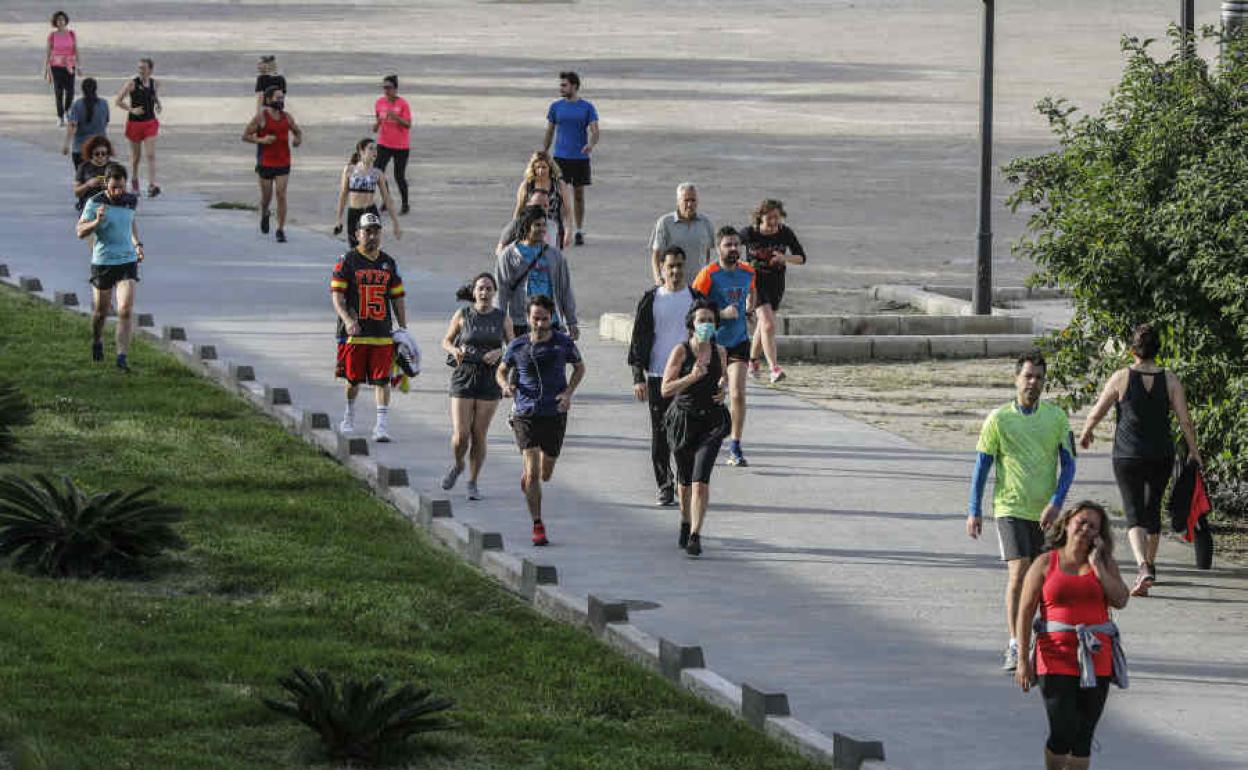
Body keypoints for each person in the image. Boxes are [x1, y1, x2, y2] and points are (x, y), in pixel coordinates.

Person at [968, 351, 1077, 672]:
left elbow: (1069, 465)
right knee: (1019, 573)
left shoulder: (1056, 418)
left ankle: (1043, 640)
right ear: (1017, 379)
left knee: (1044, 578)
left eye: (1039, 378)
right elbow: (982, 467)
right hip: (1010, 508)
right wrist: (974, 510)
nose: (1033, 383)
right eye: (1028, 376)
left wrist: (1057, 501)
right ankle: (1016, 643)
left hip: (1045, 512)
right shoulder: (999, 419)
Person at [1077, 323, 1203, 597]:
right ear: (1158, 349)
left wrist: (1086, 432)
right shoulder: (1170, 379)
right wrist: (1194, 450)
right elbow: (1185, 420)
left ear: (1132, 350)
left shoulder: (1121, 377)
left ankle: (1142, 566)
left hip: (1127, 455)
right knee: (1152, 509)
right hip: (1161, 454)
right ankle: (1151, 567)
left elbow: (1097, 410)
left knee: (1134, 512)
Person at [1015, 501, 1129, 770]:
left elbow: (1121, 599)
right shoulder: (1045, 562)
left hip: (1096, 657)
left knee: (1083, 734)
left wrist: (1099, 568)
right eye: (1081, 522)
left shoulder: (1104, 563)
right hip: (1054, 656)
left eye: (1093, 526)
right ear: (1067, 524)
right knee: (1063, 727)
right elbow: (1025, 611)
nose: (1086, 528)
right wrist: (1022, 659)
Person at [496, 295, 586, 546]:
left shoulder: (562, 343)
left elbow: (580, 368)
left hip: (554, 412)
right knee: (534, 473)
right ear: (527, 318)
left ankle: (530, 476)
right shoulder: (518, 345)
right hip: (525, 412)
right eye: (535, 318)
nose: (540, 324)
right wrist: (505, 385)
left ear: (551, 318)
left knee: (545, 474)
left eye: (545, 319)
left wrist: (568, 393)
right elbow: (501, 370)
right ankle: (537, 524)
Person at [628, 246, 703, 506]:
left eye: (680, 265)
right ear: (661, 267)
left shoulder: (696, 299)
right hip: (659, 376)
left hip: (689, 378)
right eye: (670, 265)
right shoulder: (652, 298)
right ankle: (665, 485)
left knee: (687, 433)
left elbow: (707, 338)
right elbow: (638, 338)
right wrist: (638, 376)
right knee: (661, 435)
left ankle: (685, 481)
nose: (675, 270)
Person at [661, 299, 731, 557]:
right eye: (702, 320)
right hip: (683, 421)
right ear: (691, 324)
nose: (706, 325)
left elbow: (723, 377)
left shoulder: (720, 351)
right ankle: (685, 520)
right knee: (685, 480)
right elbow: (665, 388)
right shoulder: (681, 351)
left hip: (711, 422)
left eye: (711, 320)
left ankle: (695, 535)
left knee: (700, 481)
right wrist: (691, 377)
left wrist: (723, 388)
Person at [331, 213, 407, 443]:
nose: (372, 236)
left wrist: (403, 328)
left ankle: (381, 425)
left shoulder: (389, 263)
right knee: (352, 380)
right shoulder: (347, 261)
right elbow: (337, 296)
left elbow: (397, 298)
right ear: (357, 234)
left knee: (382, 380)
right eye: (367, 231)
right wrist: (347, 320)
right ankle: (349, 416)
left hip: (382, 332)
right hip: (355, 333)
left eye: (376, 231)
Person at [440, 273, 514, 501]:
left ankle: (472, 481)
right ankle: (458, 464)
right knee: (461, 435)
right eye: (480, 288)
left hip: (490, 378)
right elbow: (446, 341)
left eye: (489, 288)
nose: (484, 293)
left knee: (479, 434)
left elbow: (514, 346)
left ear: (494, 292)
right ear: (474, 292)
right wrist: (454, 350)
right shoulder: (463, 314)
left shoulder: (502, 318)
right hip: (464, 375)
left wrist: (500, 352)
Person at [691, 227, 756, 467]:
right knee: (710, 395)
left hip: (739, 341)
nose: (733, 249)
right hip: (713, 342)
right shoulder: (709, 274)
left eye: (736, 244)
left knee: (737, 393)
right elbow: (695, 306)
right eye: (728, 245)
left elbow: (752, 292)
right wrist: (720, 313)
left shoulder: (748, 271)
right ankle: (702, 438)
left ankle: (735, 445)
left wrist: (749, 309)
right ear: (718, 248)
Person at [75, 163, 144, 373]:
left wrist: (137, 244)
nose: (118, 191)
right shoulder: (95, 202)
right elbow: (80, 232)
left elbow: (130, 223)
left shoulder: (130, 201)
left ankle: (122, 358)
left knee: (125, 310)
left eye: (122, 187)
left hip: (127, 260)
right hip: (103, 262)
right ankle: (97, 340)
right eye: (114, 187)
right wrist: (96, 222)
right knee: (101, 312)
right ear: (106, 183)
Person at [741, 198, 807, 384]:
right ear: (760, 217)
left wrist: (784, 257)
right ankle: (774, 369)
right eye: (769, 218)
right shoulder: (750, 233)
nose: (773, 223)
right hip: (755, 283)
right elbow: (730, 245)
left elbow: (801, 258)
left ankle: (753, 362)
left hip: (776, 283)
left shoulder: (785, 233)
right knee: (768, 324)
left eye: (776, 218)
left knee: (764, 326)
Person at [496, 207, 579, 340]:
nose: (542, 229)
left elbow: (565, 289)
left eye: (543, 225)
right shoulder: (509, 255)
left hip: (550, 321)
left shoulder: (555, 255)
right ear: (526, 226)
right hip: (521, 323)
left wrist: (572, 322)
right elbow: (502, 292)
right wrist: (499, 325)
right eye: (537, 225)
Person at [543, 71, 598, 246]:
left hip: (580, 158)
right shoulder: (555, 107)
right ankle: (563, 228)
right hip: (560, 158)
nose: (561, 88)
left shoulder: (587, 107)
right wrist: (544, 152)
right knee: (559, 196)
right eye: (561, 85)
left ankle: (579, 230)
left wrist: (590, 144)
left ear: (574, 86)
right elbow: (550, 131)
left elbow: (595, 131)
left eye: (564, 85)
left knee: (579, 195)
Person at [242, 86, 303, 243]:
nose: (281, 101)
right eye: (278, 98)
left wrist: (297, 139)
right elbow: (245, 135)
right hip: (266, 162)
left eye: (282, 97)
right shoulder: (261, 117)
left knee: (281, 195)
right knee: (266, 197)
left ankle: (280, 229)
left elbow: (297, 131)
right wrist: (261, 140)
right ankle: (264, 213)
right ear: (269, 100)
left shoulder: (287, 117)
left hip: (283, 162)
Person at [334, 138, 400, 248]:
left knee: (371, 247)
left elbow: (387, 199)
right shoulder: (350, 170)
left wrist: (395, 223)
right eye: (371, 148)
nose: (375, 152)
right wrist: (338, 220)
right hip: (353, 213)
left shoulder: (377, 173)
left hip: (370, 212)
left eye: (376, 149)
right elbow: (343, 195)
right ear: (361, 151)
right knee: (355, 249)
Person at [650, 183, 715, 283]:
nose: (690, 204)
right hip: (672, 285)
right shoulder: (665, 223)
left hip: (698, 286)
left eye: (693, 200)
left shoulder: (706, 223)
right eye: (686, 200)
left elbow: (706, 252)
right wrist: (658, 278)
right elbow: (656, 255)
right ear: (678, 202)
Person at [115, 58, 161, 198]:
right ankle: (134, 182)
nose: (141, 70)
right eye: (139, 68)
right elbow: (118, 101)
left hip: (150, 122)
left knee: (150, 155)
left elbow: (153, 96)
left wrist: (158, 103)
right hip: (135, 124)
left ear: (150, 70)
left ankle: (152, 185)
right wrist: (131, 110)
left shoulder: (155, 83)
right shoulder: (131, 83)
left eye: (144, 68)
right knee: (136, 157)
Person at [514, 150, 573, 248]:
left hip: (553, 229)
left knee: (551, 259)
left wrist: (569, 230)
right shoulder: (527, 185)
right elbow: (519, 209)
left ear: (550, 168)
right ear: (533, 168)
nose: (540, 171)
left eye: (544, 167)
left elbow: (568, 210)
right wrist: (515, 230)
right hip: (530, 229)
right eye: (537, 167)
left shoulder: (559, 185)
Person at [373, 74, 412, 215]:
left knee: (399, 176)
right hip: (384, 143)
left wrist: (395, 117)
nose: (386, 91)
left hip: (401, 146)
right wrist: (378, 122)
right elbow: (375, 127)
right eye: (384, 88)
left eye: (388, 87)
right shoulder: (379, 103)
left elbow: (408, 124)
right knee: (377, 172)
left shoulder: (403, 104)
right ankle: (386, 199)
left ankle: (405, 203)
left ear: (395, 89)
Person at [62, 77, 108, 170]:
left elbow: (72, 126)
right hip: (100, 149)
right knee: (101, 177)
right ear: (96, 89)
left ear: (82, 90)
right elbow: (105, 122)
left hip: (80, 149)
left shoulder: (77, 105)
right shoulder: (104, 104)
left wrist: (66, 144)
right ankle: (102, 184)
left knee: (81, 179)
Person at [44, 10, 80, 127]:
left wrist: (78, 66)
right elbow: (48, 53)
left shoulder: (71, 34)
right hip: (56, 66)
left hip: (70, 66)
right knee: (58, 92)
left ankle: (67, 111)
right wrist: (46, 70)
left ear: (66, 21)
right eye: (58, 20)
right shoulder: (52, 36)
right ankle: (60, 117)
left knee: (70, 91)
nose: (60, 22)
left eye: (62, 19)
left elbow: (76, 50)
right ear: (55, 22)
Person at [73, 135, 115, 212]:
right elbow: (76, 192)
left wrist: (108, 186)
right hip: (89, 205)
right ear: (91, 154)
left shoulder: (114, 167)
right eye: (97, 154)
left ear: (108, 153)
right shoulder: (83, 167)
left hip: (109, 205)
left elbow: (123, 192)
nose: (100, 156)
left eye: (103, 153)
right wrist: (88, 185)